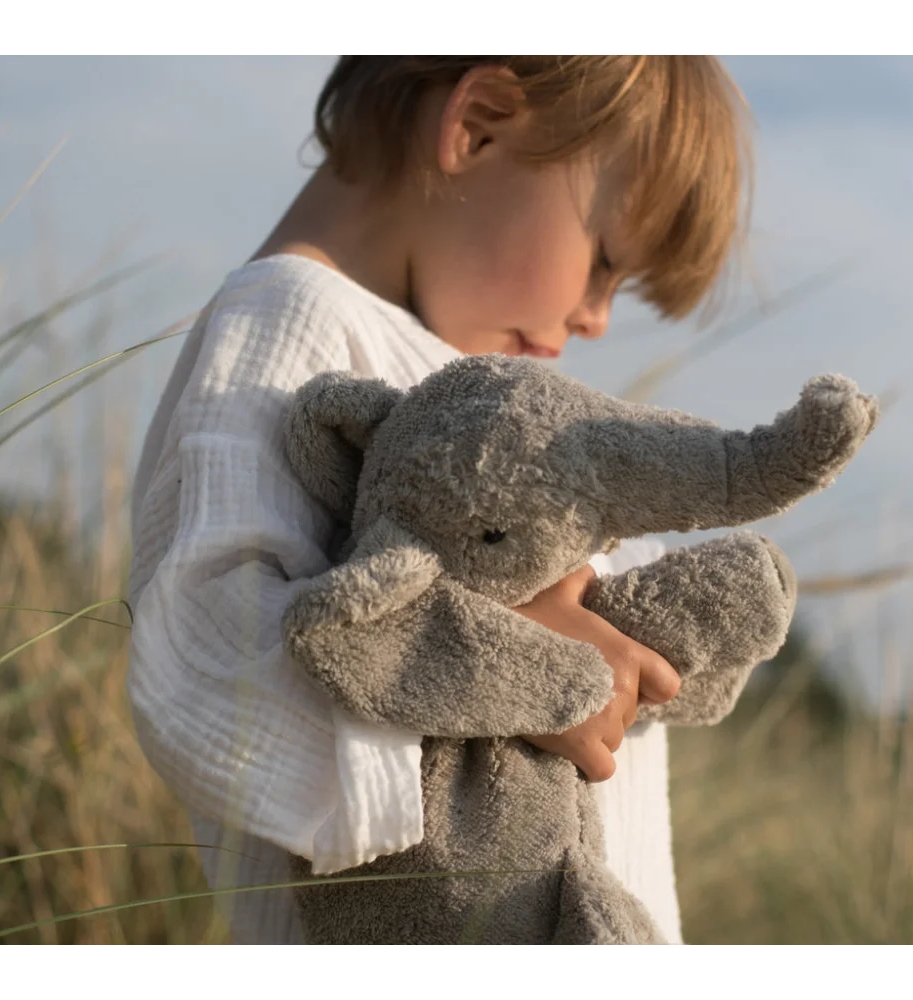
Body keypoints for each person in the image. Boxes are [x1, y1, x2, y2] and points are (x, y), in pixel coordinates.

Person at [126, 50, 752, 949]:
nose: (596, 317)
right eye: (603, 261)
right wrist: (520, 669)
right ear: (479, 123)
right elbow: (202, 657)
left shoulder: (462, 392)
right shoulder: (294, 317)